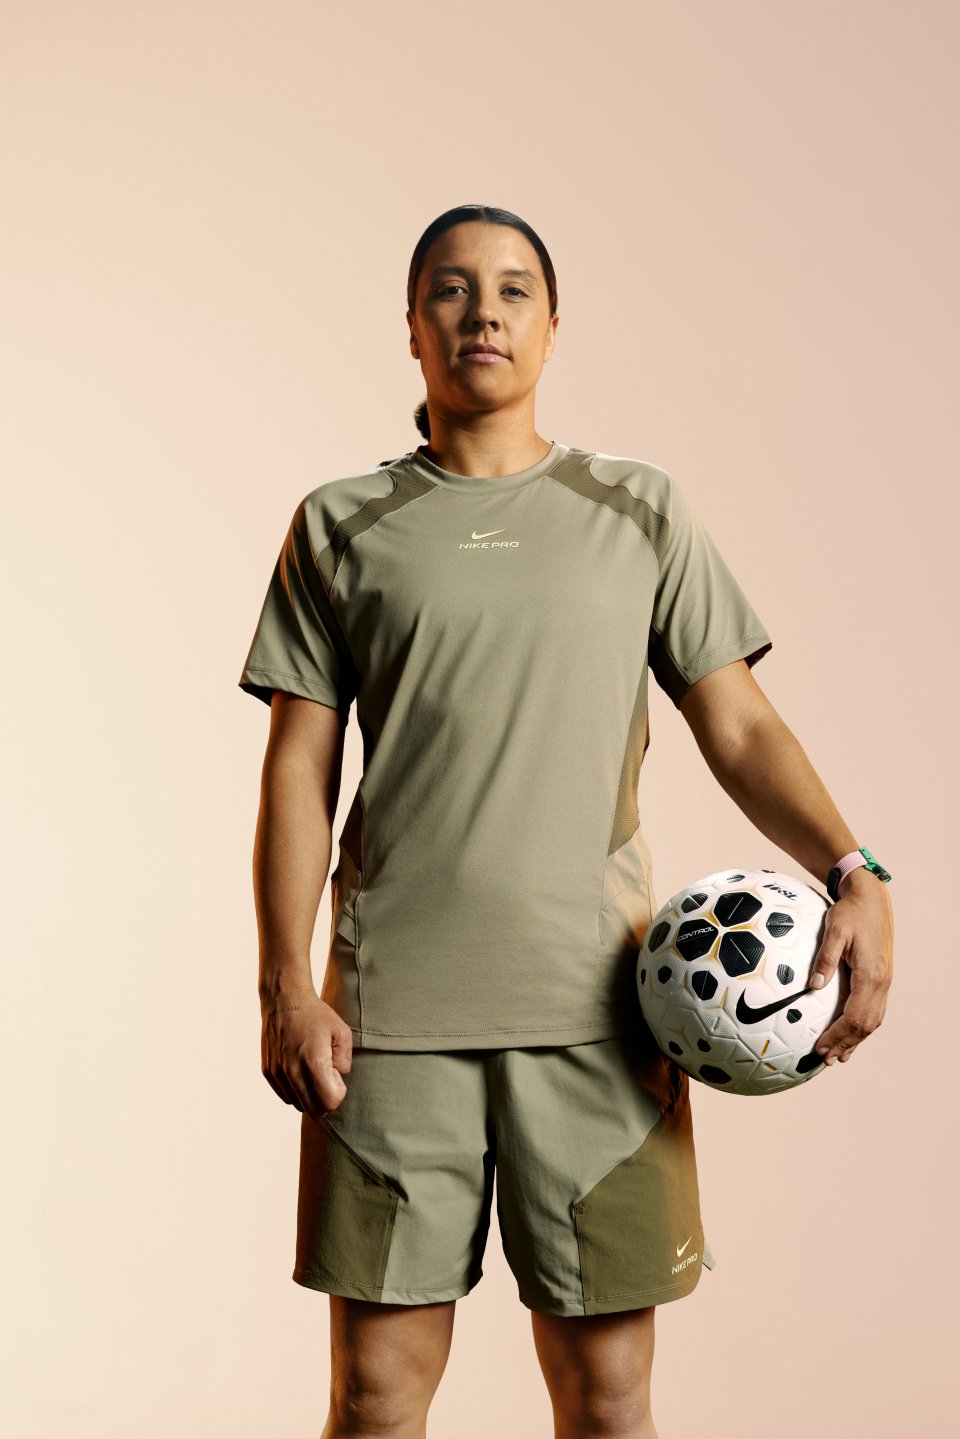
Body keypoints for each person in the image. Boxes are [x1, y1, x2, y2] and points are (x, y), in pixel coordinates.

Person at [238, 203, 894, 1439]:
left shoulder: (639, 508)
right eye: (450, 288)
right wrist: (284, 982)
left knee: (607, 1397)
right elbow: (297, 772)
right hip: (387, 1028)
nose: (481, 312)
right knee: (374, 1397)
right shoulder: (339, 523)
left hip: (604, 1021)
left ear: (552, 326)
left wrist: (854, 868)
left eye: (513, 289)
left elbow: (738, 724)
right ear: (412, 327)